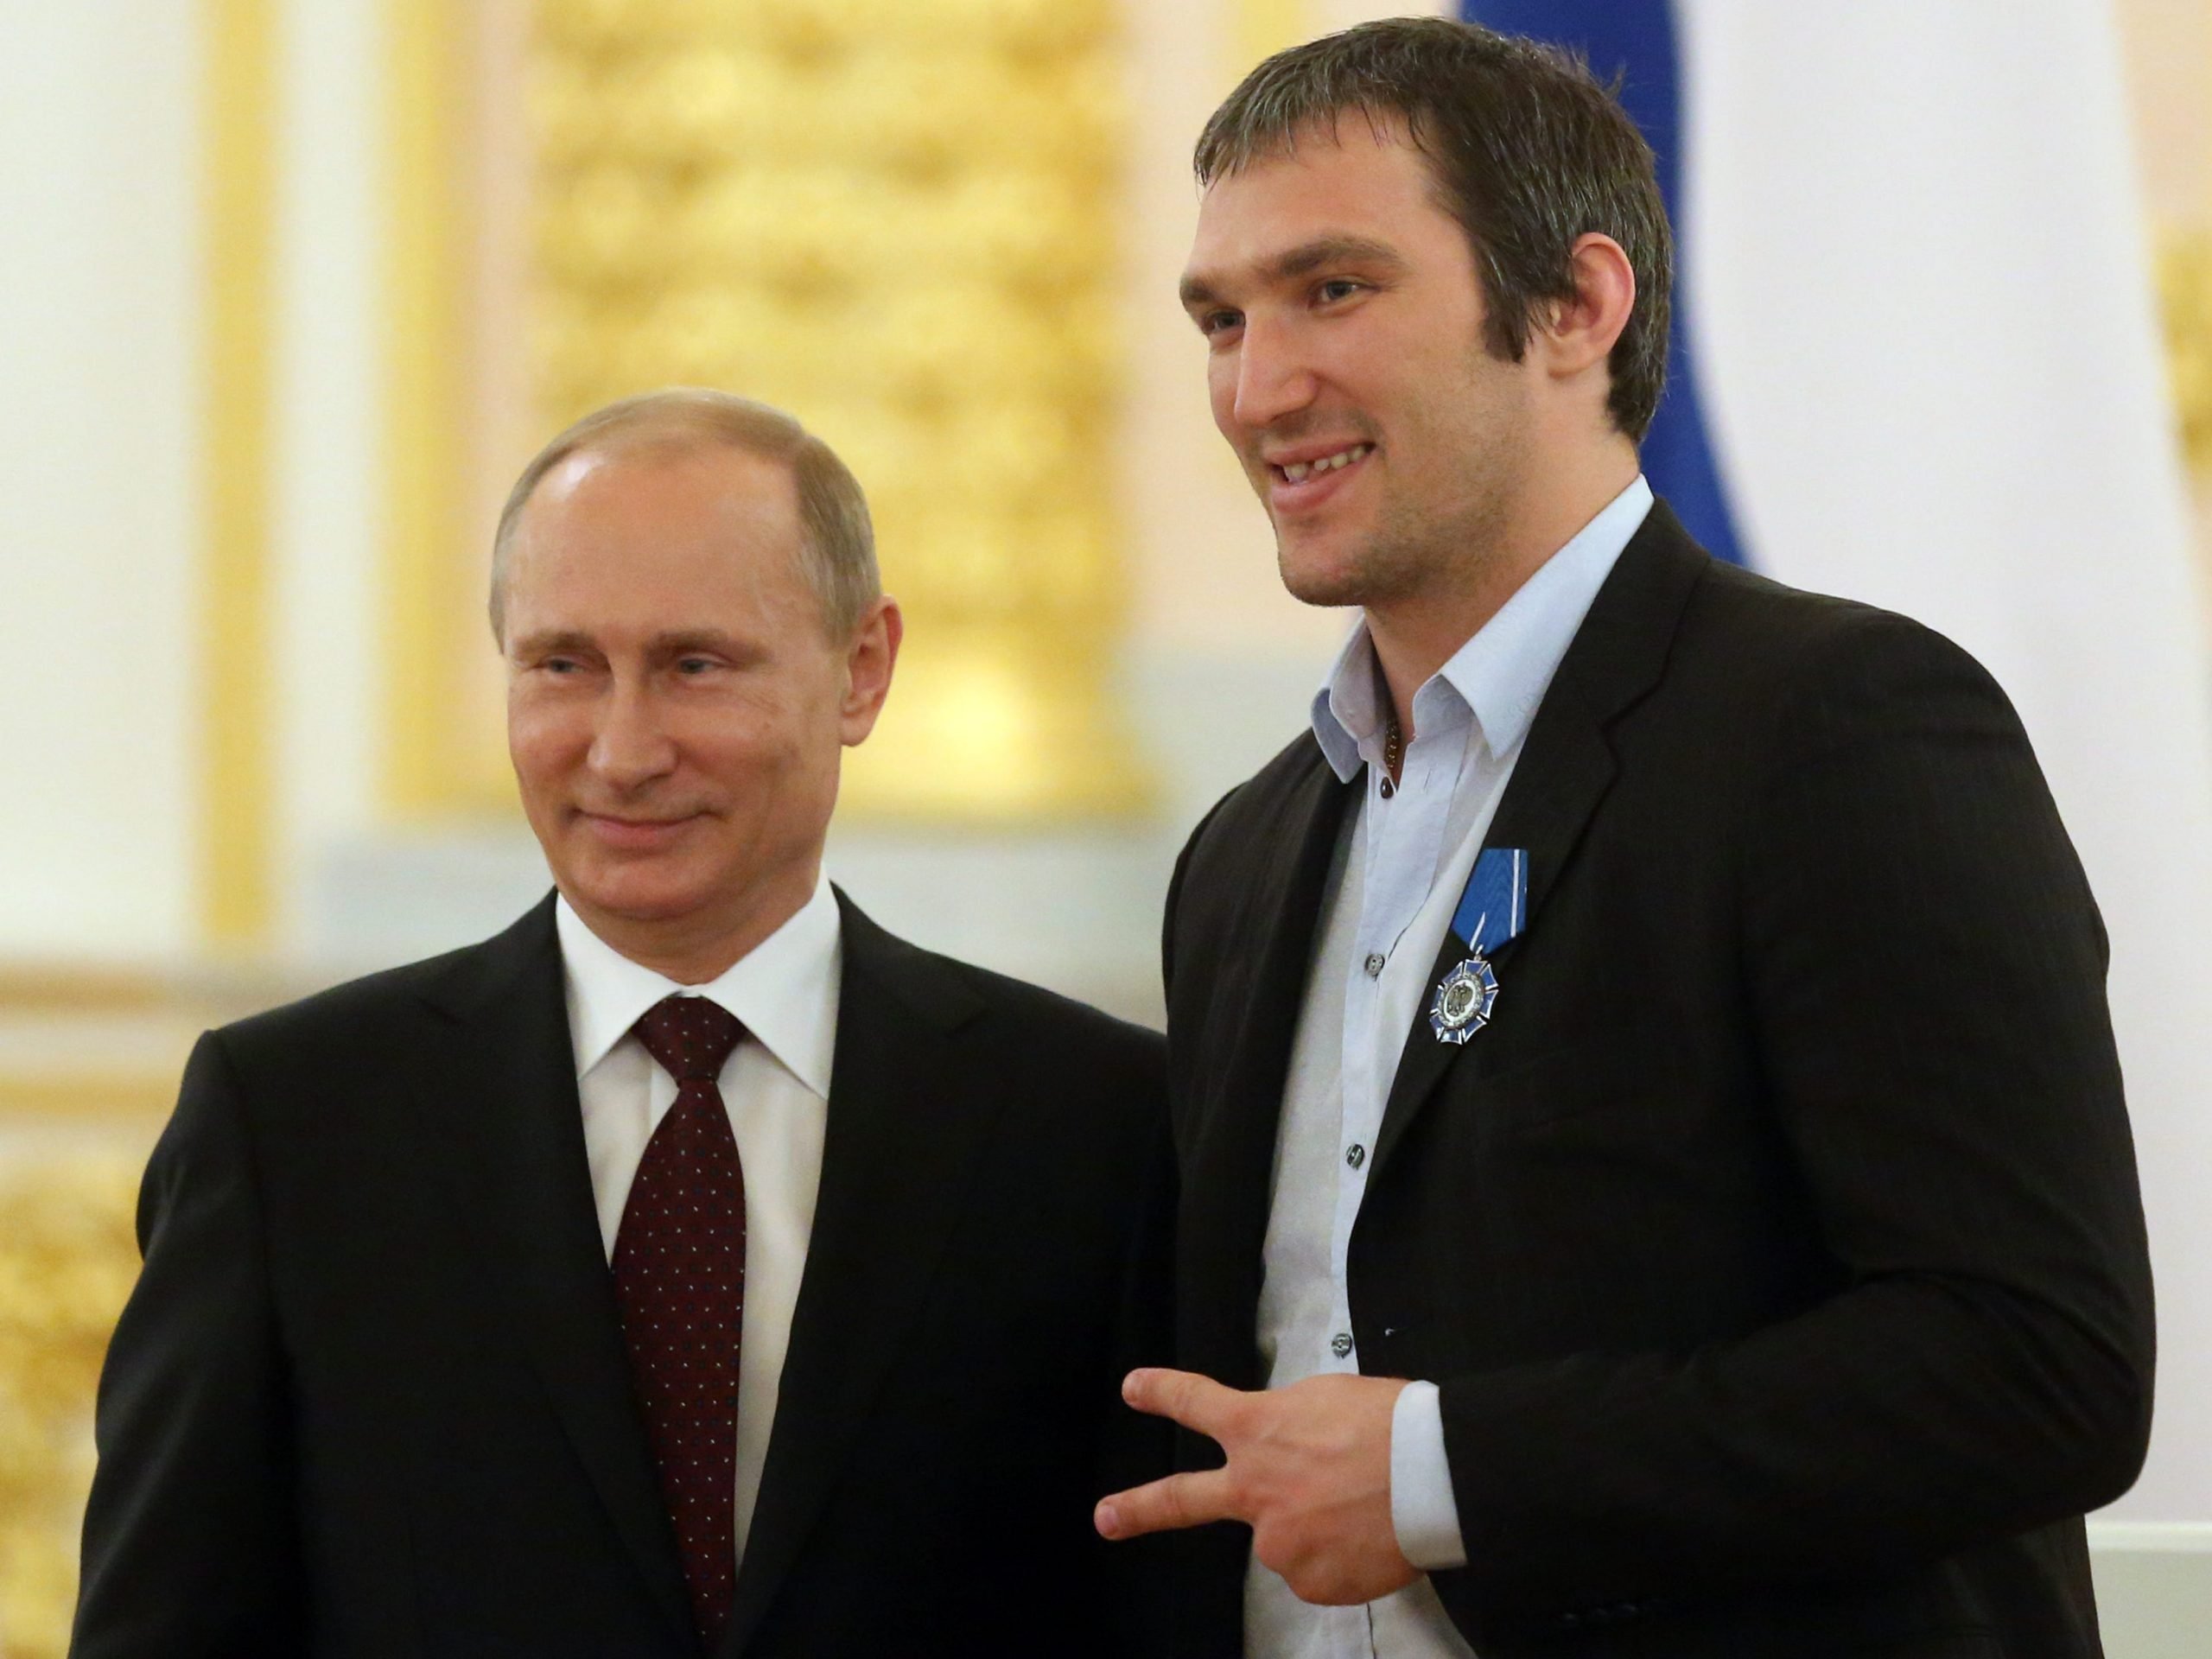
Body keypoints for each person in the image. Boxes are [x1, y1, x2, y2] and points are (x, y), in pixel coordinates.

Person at [1094, 18, 2154, 1657]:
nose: (1256, 387)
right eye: (1221, 318)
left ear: (1579, 306)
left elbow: (2037, 1365)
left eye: (1335, 291)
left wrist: (1445, 1473)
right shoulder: (1244, 856)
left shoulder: (1842, 728)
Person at [73, 390, 1173, 1658]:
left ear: (862, 670)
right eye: (563, 667)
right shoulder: (292, 1124)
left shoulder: (1095, 1126)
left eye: (694, 665)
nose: (623, 749)